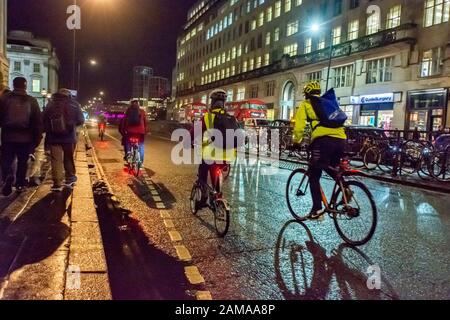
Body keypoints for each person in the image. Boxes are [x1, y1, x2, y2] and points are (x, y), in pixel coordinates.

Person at [292, 81, 347, 220]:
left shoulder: (306, 104)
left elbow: (299, 126)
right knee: (330, 166)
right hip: (341, 139)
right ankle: (345, 188)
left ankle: (317, 210)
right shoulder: (326, 104)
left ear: (307, 95)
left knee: (314, 174)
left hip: (323, 141)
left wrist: (296, 142)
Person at [192, 89, 240, 204]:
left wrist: (189, 141)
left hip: (211, 155)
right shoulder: (231, 118)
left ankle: (203, 195)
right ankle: (218, 196)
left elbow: (194, 132)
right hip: (228, 156)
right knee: (217, 169)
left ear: (212, 103)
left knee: (203, 168)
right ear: (224, 103)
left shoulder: (207, 117)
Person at [0, 77, 43, 196]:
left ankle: (8, 176)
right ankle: (19, 183)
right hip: (25, 138)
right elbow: (37, 122)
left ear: (13, 85)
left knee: (6, 159)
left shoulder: (4, 99)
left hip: (8, 135)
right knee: (22, 162)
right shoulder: (32, 100)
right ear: (25, 86)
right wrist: (36, 139)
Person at [43, 88, 85, 192]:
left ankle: (57, 183)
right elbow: (81, 120)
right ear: (69, 95)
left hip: (53, 137)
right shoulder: (74, 104)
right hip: (69, 137)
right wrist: (72, 126)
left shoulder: (51, 104)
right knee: (68, 158)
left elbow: (43, 119)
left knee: (56, 160)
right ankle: (70, 178)